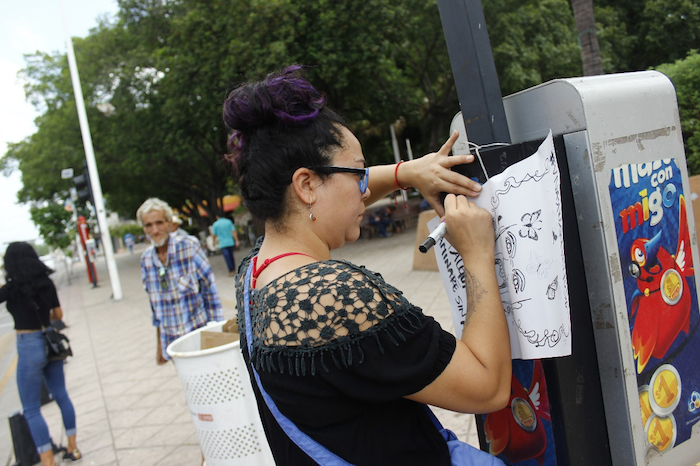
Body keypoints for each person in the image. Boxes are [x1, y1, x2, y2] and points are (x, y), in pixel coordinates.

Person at [224, 66, 511, 465]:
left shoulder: (255, 273)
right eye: (359, 173)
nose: (365, 191)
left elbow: (335, 189)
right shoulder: (333, 295)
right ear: (306, 185)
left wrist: (405, 173)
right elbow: (488, 388)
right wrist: (476, 254)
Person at [0, 242, 82, 465]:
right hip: (50, 342)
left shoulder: (11, 289)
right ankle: (73, 448)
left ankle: (48, 461)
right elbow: (58, 314)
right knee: (61, 395)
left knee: (31, 409)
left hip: (28, 345)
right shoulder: (46, 283)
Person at [137, 198, 224, 365]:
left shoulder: (189, 247)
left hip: (199, 338)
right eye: (148, 225)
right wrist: (159, 346)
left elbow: (211, 293)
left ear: (169, 223)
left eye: (159, 223)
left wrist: (218, 337)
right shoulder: (146, 260)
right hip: (173, 344)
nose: (155, 230)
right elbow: (155, 308)